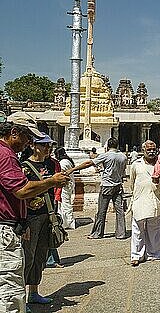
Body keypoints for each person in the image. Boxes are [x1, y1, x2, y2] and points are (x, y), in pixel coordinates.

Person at [0, 112, 68, 313]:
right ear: (13, 132)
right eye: (28, 137)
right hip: (6, 226)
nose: (29, 142)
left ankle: (33, 292)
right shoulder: (6, 155)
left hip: (22, 220)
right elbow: (21, 190)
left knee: (35, 259)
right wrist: (51, 182)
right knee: (9, 290)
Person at [20, 134, 61, 307]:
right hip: (31, 216)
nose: (47, 148)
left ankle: (34, 292)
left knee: (40, 255)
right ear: (33, 146)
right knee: (27, 256)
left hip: (48, 213)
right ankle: (21, 297)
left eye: (49, 145)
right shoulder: (25, 167)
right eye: (43, 145)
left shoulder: (51, 163)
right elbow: (20, 192)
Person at [66, 137, 127, 239]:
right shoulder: (123, 156)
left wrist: (73, 169)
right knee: (119, 211)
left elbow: (89, 163)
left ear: (107, 146)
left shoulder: (106, 155)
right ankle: (121, 233)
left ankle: (98, 233)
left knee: (102, 211)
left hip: (107, 185)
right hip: (118, 185)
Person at [129, 140, 160, 266]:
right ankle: (136, 255)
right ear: (143, 151)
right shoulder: (136, 164)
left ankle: (154, 253)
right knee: (137, 228)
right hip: (139, 199)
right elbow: (132, 183)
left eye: (154, 149)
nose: (151, 152)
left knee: (154, 229)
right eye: (148, 150)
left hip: (154, 199)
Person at [54, 147, 75, 230]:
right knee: (65, 203)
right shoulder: (67, 161)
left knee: (65, 204)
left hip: (65, 186)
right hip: (68, 185)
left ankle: (68, 222)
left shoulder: (63, 163)